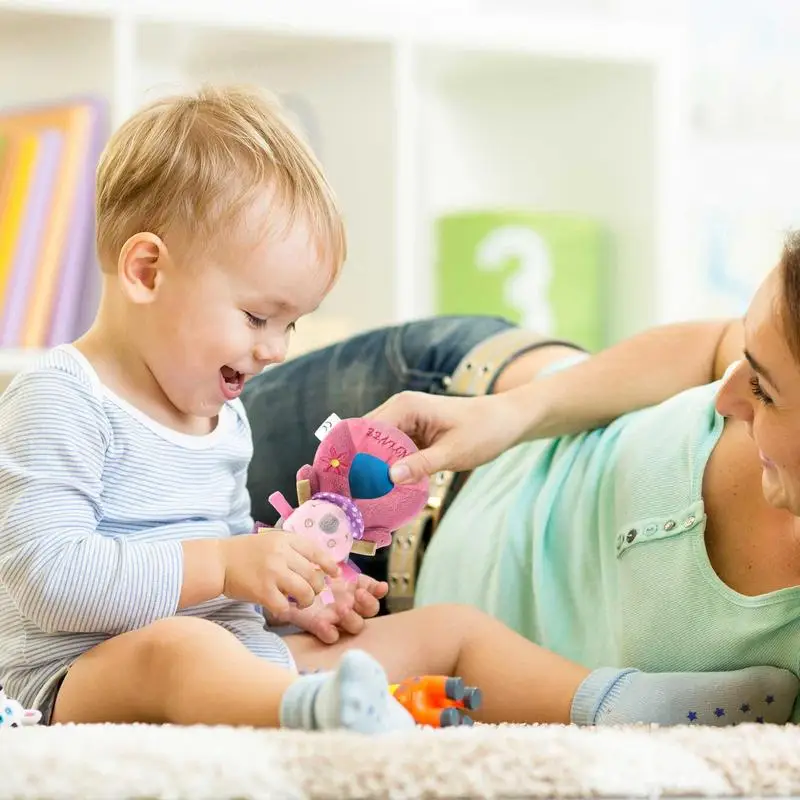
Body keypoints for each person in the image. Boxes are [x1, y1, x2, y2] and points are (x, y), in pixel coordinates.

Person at [0, 85, 795, 733]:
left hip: (236, 654)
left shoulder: (215, 407)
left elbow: (221, 563)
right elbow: (47, 582)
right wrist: (228, 566)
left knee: (449, 631)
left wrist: (295, 590)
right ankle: (313, 716)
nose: (276, 350)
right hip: (84, 675)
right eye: (257, 317)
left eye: (293, 325)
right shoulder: (60, 399)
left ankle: (620, 704)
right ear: (145, 270)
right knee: (177, 652)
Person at [242, 237, 800, 727]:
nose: (726, 398)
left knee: (189, 651)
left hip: (399, 639)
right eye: (743, 367)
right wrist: (509, 414)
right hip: (447, 396)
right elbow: (712, 348)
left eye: (765, 393)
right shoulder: (769, 354)